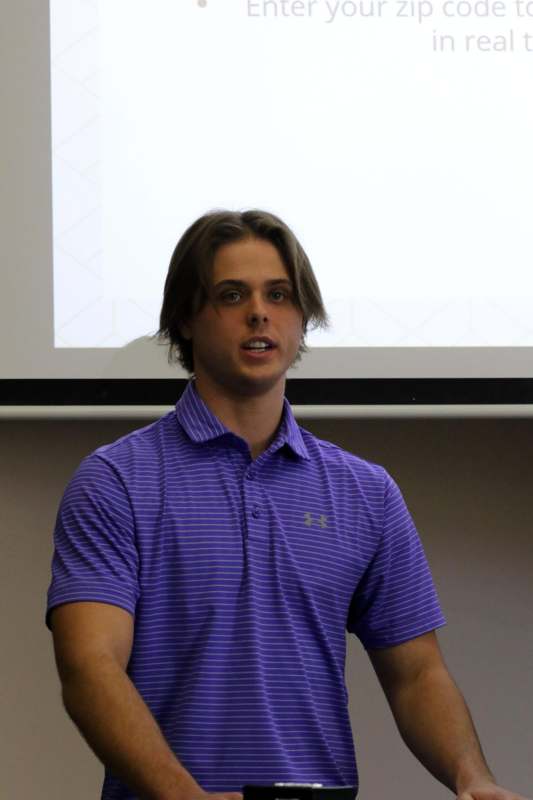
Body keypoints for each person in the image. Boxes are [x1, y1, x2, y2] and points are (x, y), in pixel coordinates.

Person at [46, 209, 529, 800]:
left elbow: (417, 673)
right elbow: (89, 667)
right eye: (231, 294)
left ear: (303, 319)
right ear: (186, 318)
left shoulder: (365, 492)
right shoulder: (116, 481)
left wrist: (470, 777)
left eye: (279, 294)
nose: (259, 312)